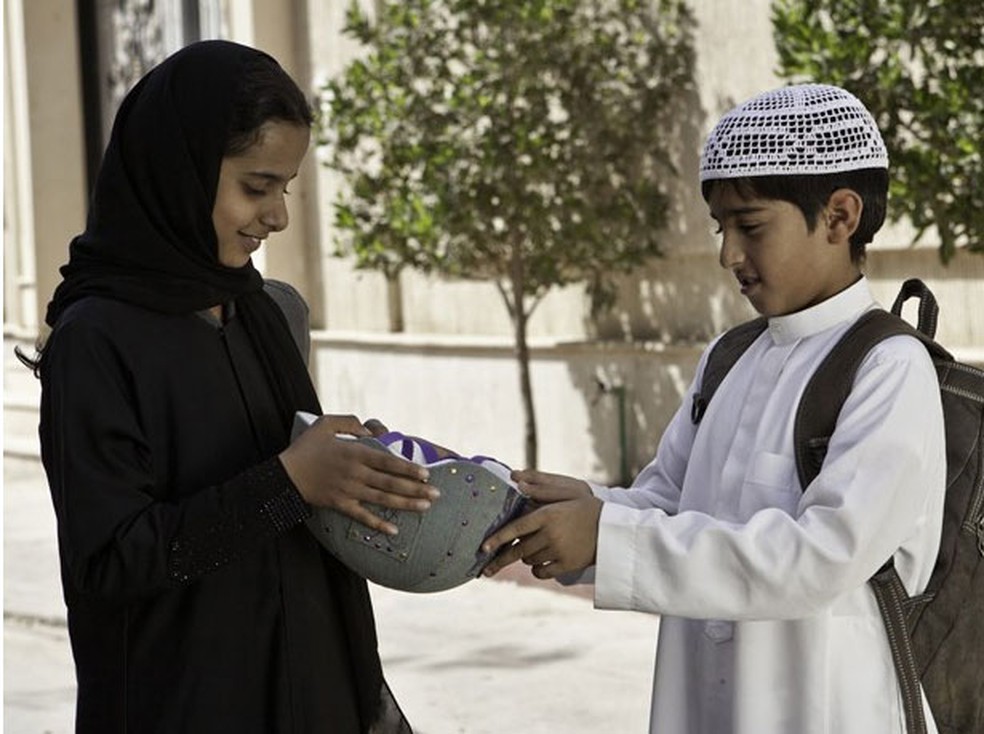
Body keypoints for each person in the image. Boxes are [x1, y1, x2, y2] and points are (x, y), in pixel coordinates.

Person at [482, 84, 946, 734]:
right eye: (721, 228)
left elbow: (820, 557)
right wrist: (581, 508)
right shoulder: (731, 357)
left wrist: (611, 539)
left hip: (826, 706)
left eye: (750, 226)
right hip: (704, 704)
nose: (728, 254)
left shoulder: (888, 367)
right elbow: (671, 505)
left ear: (841, 217)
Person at [29, 40, 438, 733]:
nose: (276, 216)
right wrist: (289, 481)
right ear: (179, 171)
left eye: (285, 188)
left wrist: (343, 469)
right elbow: (109, 565)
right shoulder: (95, 340)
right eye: (257, 186)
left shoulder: (261, 313)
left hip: (316, 699)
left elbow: (293, 503)